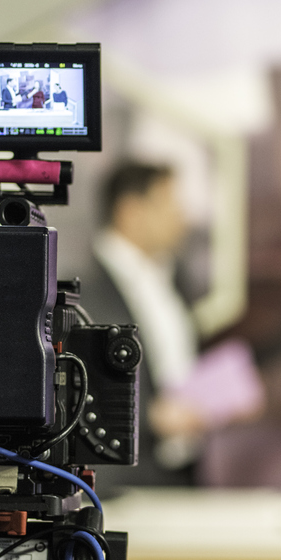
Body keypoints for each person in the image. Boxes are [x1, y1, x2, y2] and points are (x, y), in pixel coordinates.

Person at [84, 163, 200, 487]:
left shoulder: (171, 276)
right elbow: (71, 389)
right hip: (122, 479)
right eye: (169, 205)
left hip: (177, 468)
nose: (182, 217)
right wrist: (148, 418)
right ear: (131, 211)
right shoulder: (82, 288)